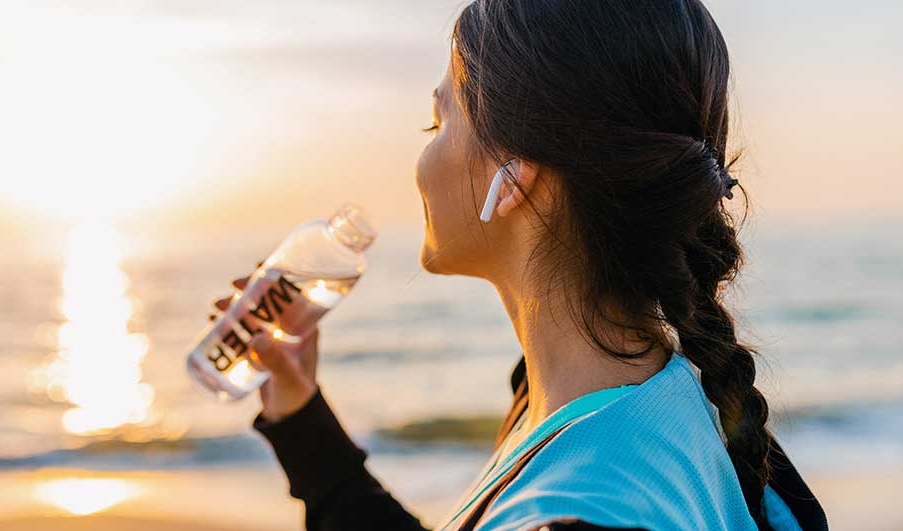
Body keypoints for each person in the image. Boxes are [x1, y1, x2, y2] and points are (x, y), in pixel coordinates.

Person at [214, 1, 828, 529]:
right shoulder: (657, 399)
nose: (421, 161)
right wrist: (298, 413)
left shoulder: (585, 505)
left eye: (439, 120)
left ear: (514, 173)